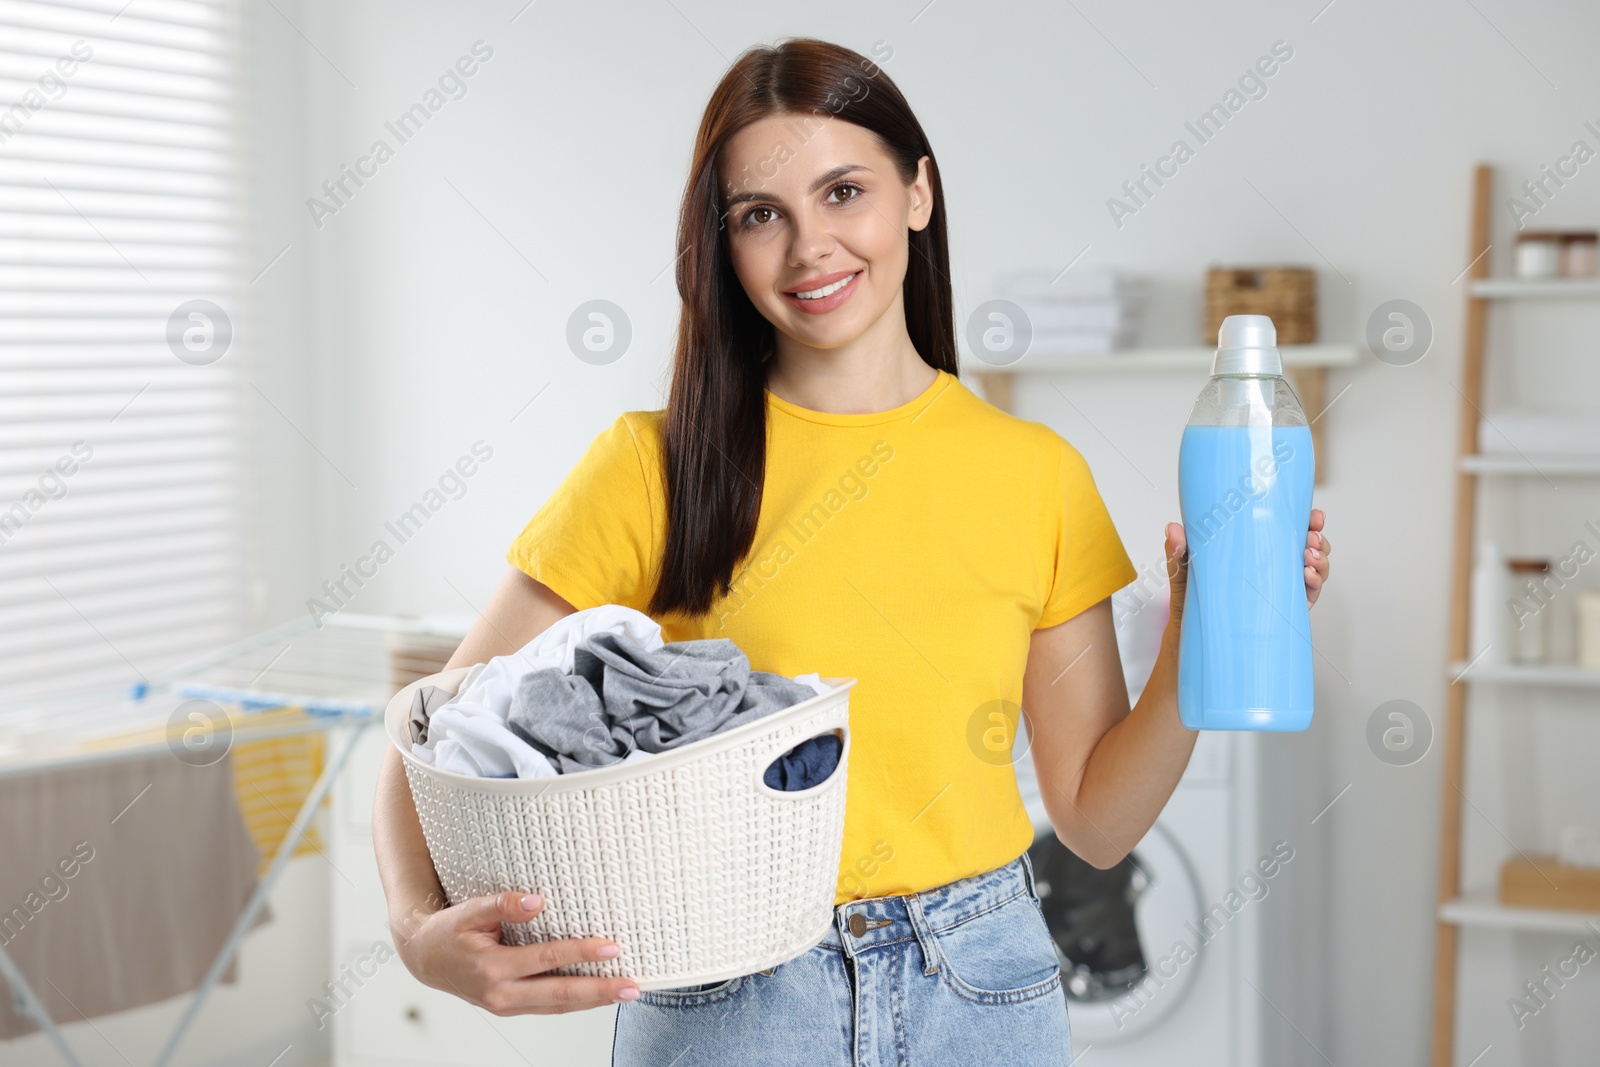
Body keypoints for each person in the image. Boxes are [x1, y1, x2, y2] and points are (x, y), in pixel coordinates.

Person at [371, 35, 1333, 1067]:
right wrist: (418, 931)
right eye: (759, 215)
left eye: (843, 191)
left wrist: (1201, 625)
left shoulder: (1035, 474)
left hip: (982, 986)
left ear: (918, 191)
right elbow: (437, 728)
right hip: (729, 994)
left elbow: (1096, 822)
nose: (808, 248)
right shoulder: (653, 465)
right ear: (722, 243)